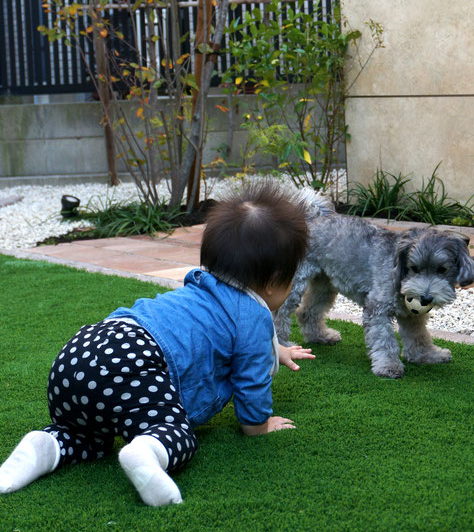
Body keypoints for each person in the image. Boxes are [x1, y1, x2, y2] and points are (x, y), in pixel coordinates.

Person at [0, 181, 315, 507]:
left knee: (88, 437)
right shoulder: (252, 314)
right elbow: (251, 380)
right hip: (134, 358)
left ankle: (45, 445)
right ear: (274, 281)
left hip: (79, 354)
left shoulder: (201, 285)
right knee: (176, 433)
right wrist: (258, 424)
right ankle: (147, 449)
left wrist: (276, 349)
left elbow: (233, 338)